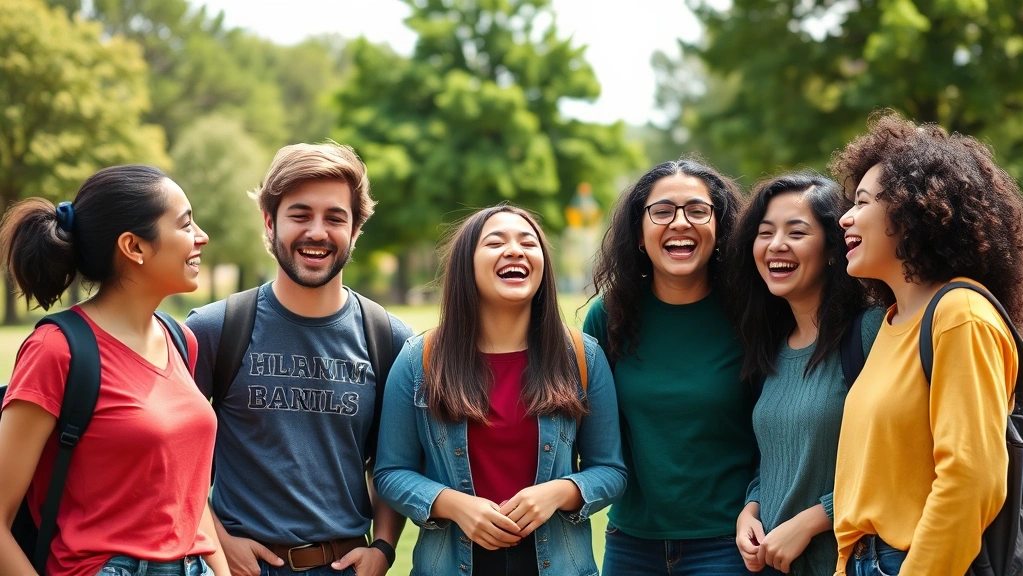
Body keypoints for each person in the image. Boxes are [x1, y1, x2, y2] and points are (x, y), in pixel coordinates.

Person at [186, 143, 412, 576]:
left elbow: (393, 462)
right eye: (300, 215)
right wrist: (216, 539)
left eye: (335, 218)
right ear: (270, 223)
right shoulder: (214, 330)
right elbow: (170, 458)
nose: (317, 232)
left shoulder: (389, 338)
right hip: (239, 567)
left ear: (356, 230)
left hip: (344, 565)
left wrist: (383, 547)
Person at [373, 204, 626, 576]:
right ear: (466, 265)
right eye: (495, 242)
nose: (514, 250)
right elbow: (391, 472)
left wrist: (557, 493)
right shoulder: (419, 360)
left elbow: (610, 470)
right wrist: (452, 504)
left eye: (528, 242)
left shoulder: (582, 356)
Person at [0, 165, 227, 576]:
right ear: (134, 246)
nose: (201, 236)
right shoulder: (57, 350)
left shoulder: (181, 341)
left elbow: (186, 497)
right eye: (186, 224)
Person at [828, 112, 1023, 574]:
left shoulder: (960, 316)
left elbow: (971, 479)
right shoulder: (893, 323)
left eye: (862, 202)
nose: (845, 218)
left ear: (914, 211)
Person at [584, 157, 757, 574]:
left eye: (698, 210)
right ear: (639, 235)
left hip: (730, 543)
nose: (680, 222)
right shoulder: (608, 317)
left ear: (721, 228)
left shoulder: (752, 316)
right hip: (630, 544)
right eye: (662, 211)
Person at [728, 173, 883, 575]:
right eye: (765, 233)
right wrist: (751, 507)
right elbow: (778, 458)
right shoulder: (770, 347)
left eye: (796, 232)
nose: (776, 245)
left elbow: (901, 457)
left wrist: (814, 520)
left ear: (833, 248)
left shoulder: (870, 332)